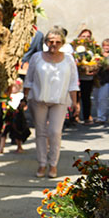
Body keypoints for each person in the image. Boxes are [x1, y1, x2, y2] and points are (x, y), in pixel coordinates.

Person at [24, 26, 80, 179]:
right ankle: (42, 163)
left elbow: (73, 82)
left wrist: (75, 103)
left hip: (60, 100)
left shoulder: (68, 59)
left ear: (62, 43)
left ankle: (53, 164)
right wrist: (25, 97)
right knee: (41, 133)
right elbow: (28, 80)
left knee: (55, 132)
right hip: (39, 99)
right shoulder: (37, 57)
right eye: (50, 41)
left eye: (57, 42)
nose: (53, 44)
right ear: (46, 42)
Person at [75, 28, 96, 123]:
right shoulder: (74, 48)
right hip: (75, 77)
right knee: (75, 98)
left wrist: (94, 70)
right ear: (79, 37)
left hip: (87, 77)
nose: (86, 38)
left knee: (86, 97)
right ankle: (74, 116)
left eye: (88, 36)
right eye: (83, 36)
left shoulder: (94, 49)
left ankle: (87, 116)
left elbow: (97, 61)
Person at [94, 38, 109, 123]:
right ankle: (100, 116)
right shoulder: (99, 55)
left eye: (108, 45)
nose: (107, 47)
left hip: (107, 80)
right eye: (105, 45)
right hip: (99, 79)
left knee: (103, 98)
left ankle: (102, 117)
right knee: (98, 98)